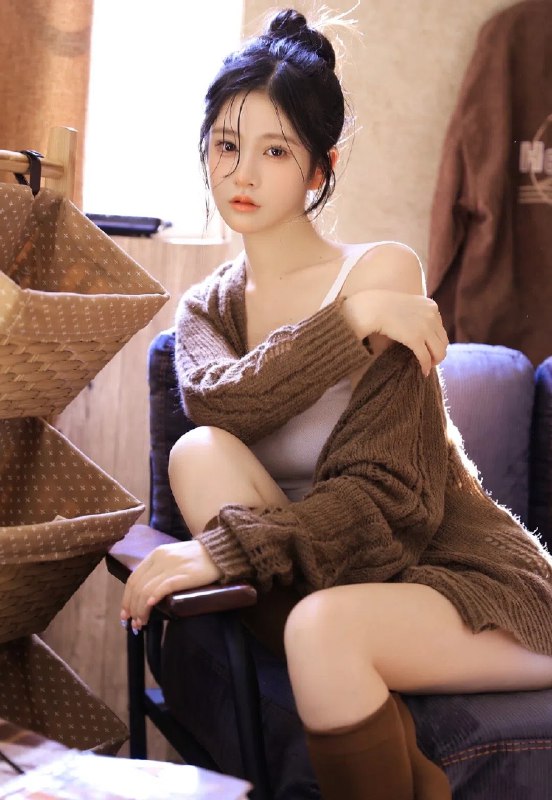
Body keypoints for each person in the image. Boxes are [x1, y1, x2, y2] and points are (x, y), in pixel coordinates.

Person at [120, 9, 552, 799]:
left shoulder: (382, 272)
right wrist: (346, 327)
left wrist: (223, 552)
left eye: (276, 150)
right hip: (332, 577)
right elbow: (223, 404)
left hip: (457, 577)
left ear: (321, 169)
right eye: (226, 145)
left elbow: (390, 501)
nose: (243, 174)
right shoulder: (209, 311)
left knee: (320, 629)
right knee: (198, 451)